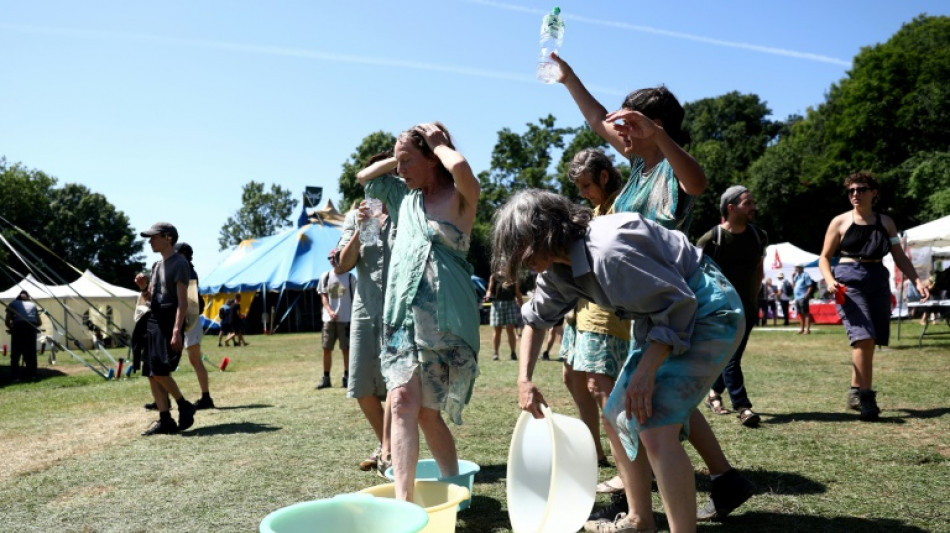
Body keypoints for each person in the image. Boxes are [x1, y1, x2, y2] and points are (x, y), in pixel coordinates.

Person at [552, 52, 754, 525]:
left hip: (681, 302)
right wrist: (568, 78)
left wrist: (658, 135)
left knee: (654, 413)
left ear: (652, 124)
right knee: (639, 408)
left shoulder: (667, 164)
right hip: (650, 303)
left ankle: (646, 502)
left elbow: (699, 183)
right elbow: (596, 118)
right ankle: (696, 490)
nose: (616, 130)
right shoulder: (637, 166)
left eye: (629, 122)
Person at [494, 190, 745, 533]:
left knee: (654, 426)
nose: (519, 260)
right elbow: (536, 320)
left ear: (544, 231)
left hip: (708, 310)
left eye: (520, 246)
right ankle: (640, 519)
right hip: (663, 321)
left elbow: (679, 303)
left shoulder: (610, 250)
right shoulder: (558, 269)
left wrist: (646, 371)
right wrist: (524, 378)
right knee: (615, 415)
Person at [358, 122, 480, 502]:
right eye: (398, 162)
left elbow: (460, 169)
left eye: (409, 161)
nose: (400, 169)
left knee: (428, 412)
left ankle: (455, 488)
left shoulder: (461, 197)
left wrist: (440, 143)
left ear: (433, 159)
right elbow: (365, 177)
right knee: (401, 402)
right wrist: (398, 157)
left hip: (444, 321)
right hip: (401, 317)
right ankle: (403, 503)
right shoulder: (402, 199)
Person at [818, 172, 928, 421]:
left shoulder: (886, 222)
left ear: (874, 193)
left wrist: (917, 281)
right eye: (851, 191)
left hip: (878, 278)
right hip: (848, 279)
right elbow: (824, 257)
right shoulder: (839, 222)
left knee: (869, 339)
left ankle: (855, 392)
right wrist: (829, 280)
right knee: (863, 336)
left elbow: (899, 257)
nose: (855, 194)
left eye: (861, 189)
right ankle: (867, 398)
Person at [562, 148, 632, 484]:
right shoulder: (595, 212)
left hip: (606, 313)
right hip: (581, 312)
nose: (584, 194)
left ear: (605, 176)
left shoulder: (622, 208)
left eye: (587, 185)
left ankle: (629, 469)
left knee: (603, 388)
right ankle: (595, 452)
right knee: (573, 377)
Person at [335, 151, 396, 474]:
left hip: (401, 307)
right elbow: (344, 264)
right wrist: (361, 228)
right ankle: (385, 443)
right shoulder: (357, 215)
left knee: (398, 383)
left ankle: (390, 448)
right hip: (365, 307)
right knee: (361, 384)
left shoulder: (408, 209)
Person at [697, 185, 767, 428]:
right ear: (731, 207)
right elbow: (696, 274)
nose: (753, 207)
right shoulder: (711, 238)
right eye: (747, 203)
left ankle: (714, 393)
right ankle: (743, 407)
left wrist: (753, 299)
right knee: (731, 359)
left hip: (747, 308)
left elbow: (759, 269)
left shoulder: (758, 236)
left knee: (729, 357)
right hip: (719, 311)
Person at [134, 222, 197, 436]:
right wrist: (143, 287)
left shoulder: (180, 263)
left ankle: (183, 404)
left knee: (160, 369)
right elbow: (150, 298)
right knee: (151, 373)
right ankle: (165, 420)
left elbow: (182, 302)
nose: (150, 241)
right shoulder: (156, 266)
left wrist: (177, 330)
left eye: (154, 237)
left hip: (169, 319)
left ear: (168, 237)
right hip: (153, 319)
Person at [175, 242, 216, 410]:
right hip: (187, 318)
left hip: (190, 318)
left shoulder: (187, 270)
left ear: (184, 254)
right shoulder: (187, 269)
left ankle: (206, 397)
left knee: (195, 359)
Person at [315, 252, 355, 390]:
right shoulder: (325, 276)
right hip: (329, 319)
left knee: (346, 349)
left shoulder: (350, 277)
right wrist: (330, 311)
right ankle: (326, 378)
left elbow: (355, 298)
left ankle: (347, 377)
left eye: (334, 258)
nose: (331, 260)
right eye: (329, 258)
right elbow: (323, 296)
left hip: (346, 319)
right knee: (326, 348)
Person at [5, 290, 42, 381]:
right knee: (31, 352)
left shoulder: (12, 304)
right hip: (31, 327)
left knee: (16, 352)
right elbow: (39, 322)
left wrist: (12, 328)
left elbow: (7, 320)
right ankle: (32, 374)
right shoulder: (33, 305)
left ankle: (15, 376)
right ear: (28, 297)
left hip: (18, 327)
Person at [485, 274, 523, 361]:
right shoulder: (494, 277)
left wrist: (523, 307)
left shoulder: (513, 277)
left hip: (510, 303)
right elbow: (489, 290)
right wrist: (488, 295)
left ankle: (513, 352)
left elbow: (517, 292)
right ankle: (496, 353)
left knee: (510, 329)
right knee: (497, 330)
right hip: (497, 304)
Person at [792, 265, 816, 334]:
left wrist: (806, 295)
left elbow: (810, 286)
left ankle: (807, 329)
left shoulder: (806, 275)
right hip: (797, 297)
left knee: (806, 313)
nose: (796, 268)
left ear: (802, 268)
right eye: (796, 267)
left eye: (797, 267)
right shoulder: (796, 276)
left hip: (803, 297)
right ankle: (801, 329)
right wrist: (792, 277)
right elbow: (793, 286)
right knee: (800, 313)